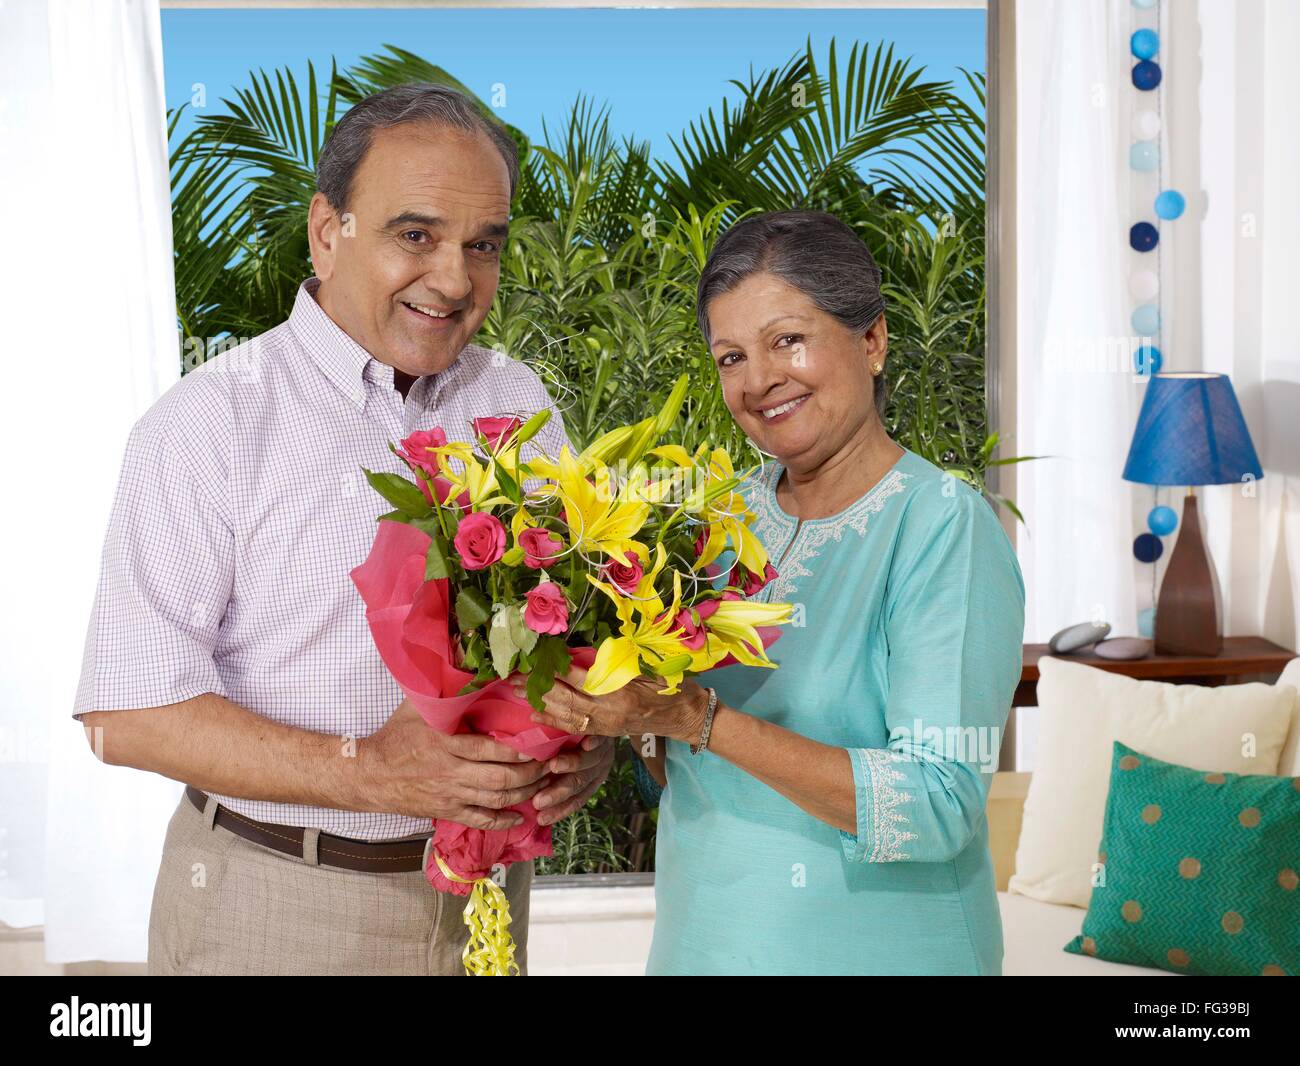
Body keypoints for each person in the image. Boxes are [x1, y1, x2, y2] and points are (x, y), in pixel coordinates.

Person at [73, 84, 613, 976]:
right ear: (329, 232)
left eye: (484, 245)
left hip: (484, 903)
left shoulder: (517, 402)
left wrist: (579, 752)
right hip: (278, 904)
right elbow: (125, 716)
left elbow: (566, 627)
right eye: (417, 235)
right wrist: (369, 770)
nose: (453, 278)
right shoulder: (207, 424)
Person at [528, 209, 1026, 975]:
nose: (758, 381)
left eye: (787, 340)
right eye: (730, 357)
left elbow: (937, 805)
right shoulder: (716, 518)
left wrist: (695, 716)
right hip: (705, 945)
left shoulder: (941, 527)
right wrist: (613, 715)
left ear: (872, 339)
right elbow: (677, 768)